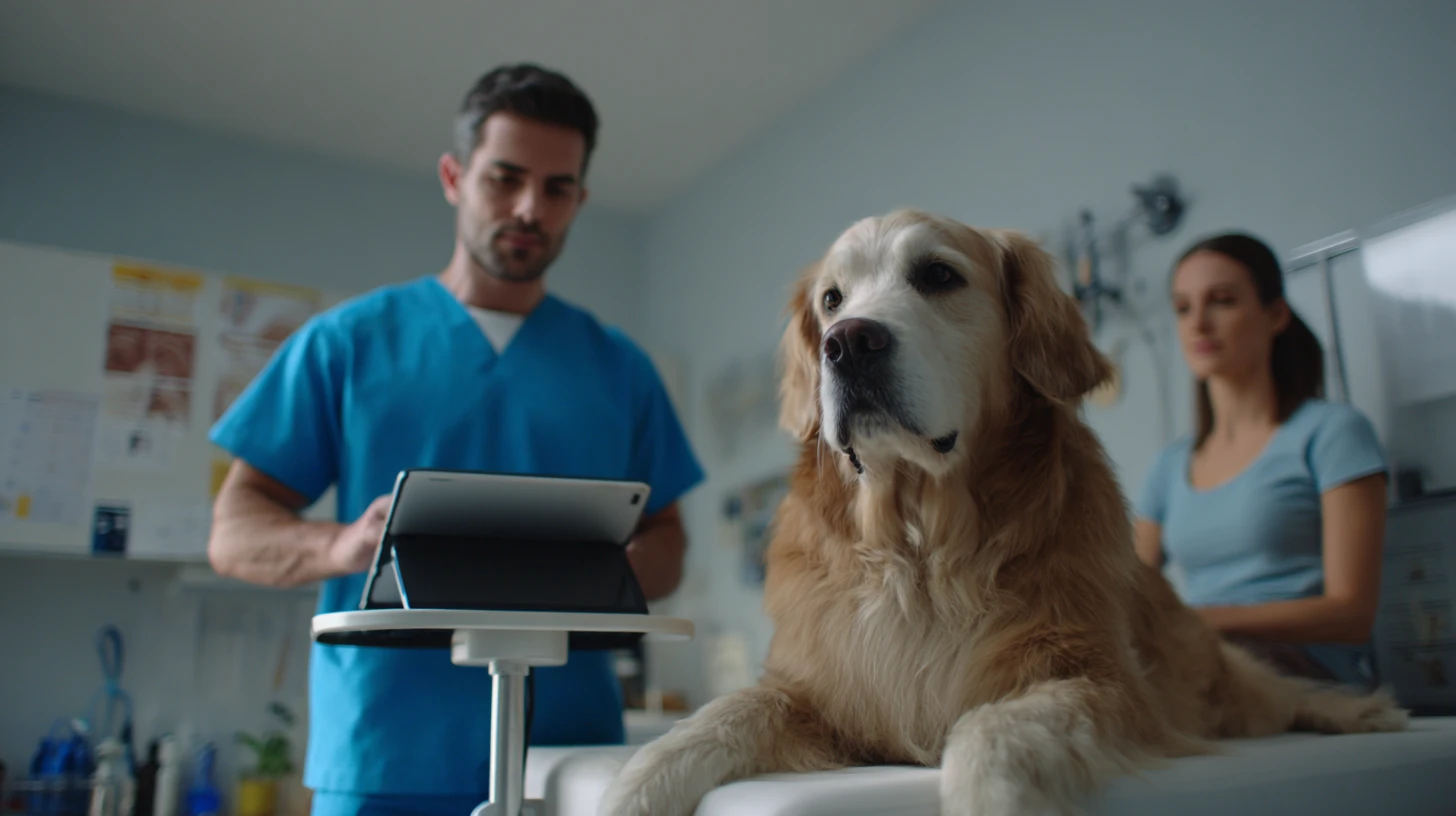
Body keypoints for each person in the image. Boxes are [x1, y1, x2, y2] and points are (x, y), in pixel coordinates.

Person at [207, 64, 705, 816]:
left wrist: (620, 565)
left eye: (557, 188)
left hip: (570, 761)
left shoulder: (620, 368)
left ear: (580, 200)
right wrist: (341, 546)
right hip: (385, 755)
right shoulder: (347, 344)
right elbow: (233, 533)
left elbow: (668, 541)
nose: (529, 208)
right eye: (505, 179)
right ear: (454, 176)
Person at [1134, 232, 1389, 690]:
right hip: (1202, 662)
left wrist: (1199, 622)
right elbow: (1127, 593)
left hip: (1310, 675)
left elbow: (1351, 613)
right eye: (1183, 308)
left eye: (1223, 301)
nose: (1199, 324)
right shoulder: (1170, 467)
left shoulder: (1332, 433)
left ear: (1274, 315)